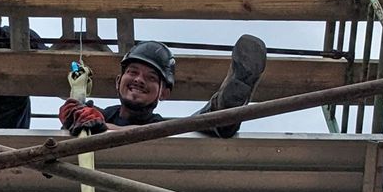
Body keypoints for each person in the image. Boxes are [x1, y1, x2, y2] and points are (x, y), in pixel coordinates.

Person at [59, 36, 266, 138]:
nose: (139, 80)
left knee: (194, 126)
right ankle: (224, 112)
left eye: (151, 77)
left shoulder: (162, 129)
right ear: (117, 81)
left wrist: (103, 129)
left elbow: (148, 135)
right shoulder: (97, 115)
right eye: (132, 72)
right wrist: (72, 113)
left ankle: (225, 108)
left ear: (164, 92)